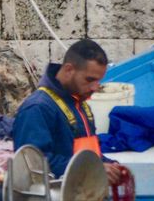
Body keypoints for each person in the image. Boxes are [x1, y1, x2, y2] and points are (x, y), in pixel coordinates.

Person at [12, 39, 124, 186]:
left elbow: (87, 154)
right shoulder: (37, 108)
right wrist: (92, 170)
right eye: (89, 79)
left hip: (84, 199)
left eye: (98, 81)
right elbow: (33, 165)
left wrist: (111, 166)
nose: (94, 87)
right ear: (69, 69)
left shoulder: (81, 106)